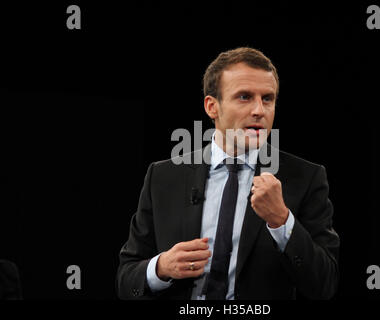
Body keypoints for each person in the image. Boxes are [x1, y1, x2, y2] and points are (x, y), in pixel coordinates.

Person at [116, 47, 339, 300]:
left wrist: (282, 221)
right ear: (212, 107)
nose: (259, 110)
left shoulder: (306, 178)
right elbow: (126, 279)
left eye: (268, 98)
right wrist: (160, 268)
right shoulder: (163, 177)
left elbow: (325, 285)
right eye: (244, 97)